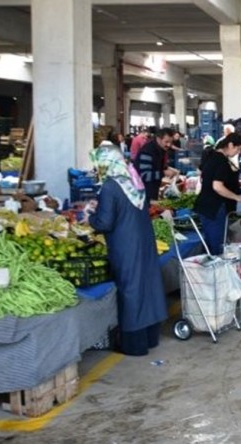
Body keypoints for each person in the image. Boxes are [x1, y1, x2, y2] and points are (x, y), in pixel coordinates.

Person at [87, 146, 166, 356]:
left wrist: (89, 217)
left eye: (99, 164)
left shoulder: (110, 186)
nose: (97, 169)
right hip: (143, 241)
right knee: (147, 288)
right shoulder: (133, 179)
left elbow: (105, 222)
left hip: (125, 245)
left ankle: (134, 345)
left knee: (130, 290)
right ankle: (150, 338)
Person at [193, 133, 241, 256]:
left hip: (205, 206)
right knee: (217, 247)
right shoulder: (221, 161)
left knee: (210, 243)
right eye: (238, 148)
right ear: (231, 145)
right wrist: (236, 197)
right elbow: (217, 186)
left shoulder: (212, 156)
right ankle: (216, 271)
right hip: (214, 208)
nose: (238, 152)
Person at [133, 128, 177, 204]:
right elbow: (145, 175)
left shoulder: (160, 149)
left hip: (153, 189)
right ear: (158, 139)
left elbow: (156, 166)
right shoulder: (147, 151)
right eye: (166, 142)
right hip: (143, 192)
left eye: (171, 142)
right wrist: (164, 173)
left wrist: (167, 169)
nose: (169, 145)